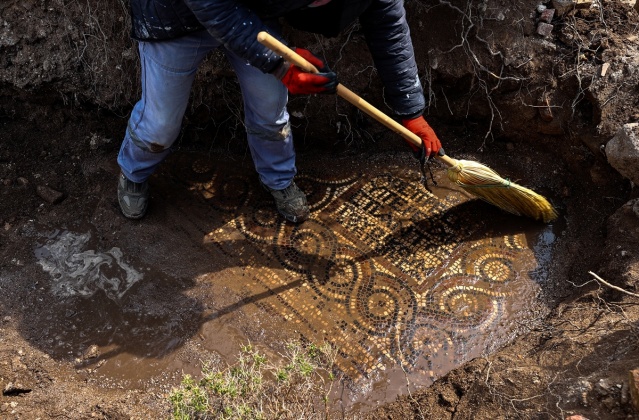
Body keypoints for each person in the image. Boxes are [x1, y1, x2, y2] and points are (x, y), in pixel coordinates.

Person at [117, 0, 442, 223]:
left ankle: (278, 178)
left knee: (270, 105)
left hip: (250, 12)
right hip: (173, 17)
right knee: (160, 123)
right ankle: (134, 173)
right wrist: (277, 63)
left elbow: (388, 22)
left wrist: (410, 111)